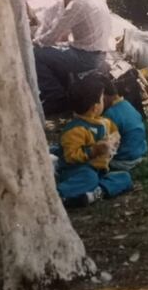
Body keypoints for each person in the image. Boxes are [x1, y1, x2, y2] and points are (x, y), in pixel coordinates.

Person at [33, 0, 112, 116]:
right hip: (97, 52)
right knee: (53, 52)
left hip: (87, 57)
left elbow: (50, 37)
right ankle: (62, 93)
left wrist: (34, 43)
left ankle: (55, 99)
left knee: (36, 53)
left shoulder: (78, 4)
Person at [56, 75, 132, 208]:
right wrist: (93, 151)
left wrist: (115, 139)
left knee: (124, 177)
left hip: (100, 170)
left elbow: (114, 132)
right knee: (89, 178)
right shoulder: (75, 130)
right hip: (76, 171)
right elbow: (70, 156)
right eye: (102, 98)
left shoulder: (103, 122)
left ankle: (93, 194)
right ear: (95, 107)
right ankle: (58, 195)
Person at [100, 75, 148, 171]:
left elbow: (106, 147)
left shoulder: (110, 115)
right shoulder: (126, 104)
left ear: (103, 97)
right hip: (139, 153)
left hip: (124, 161)